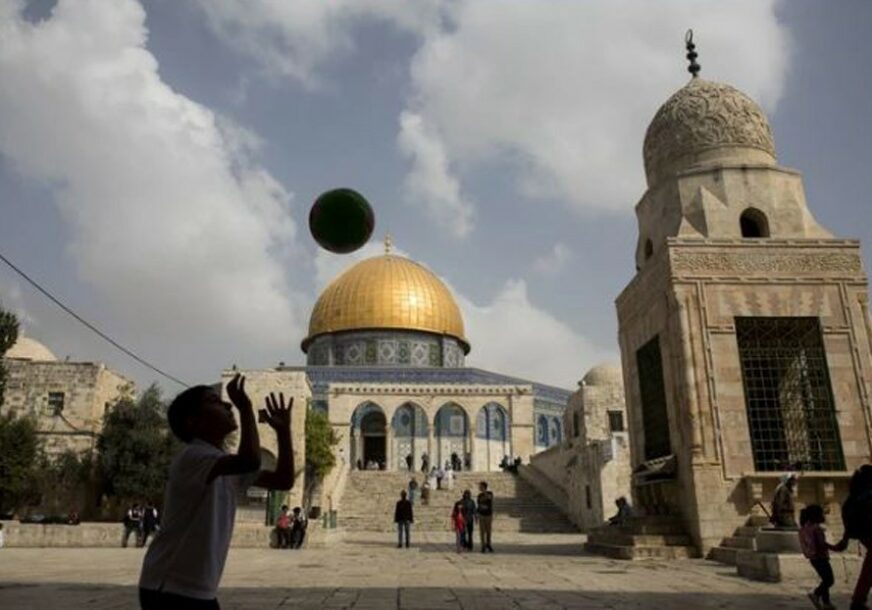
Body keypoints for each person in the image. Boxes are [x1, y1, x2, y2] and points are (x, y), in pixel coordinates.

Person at [139, 374, 295, 610]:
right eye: (214, 401)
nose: (226, 404)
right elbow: (249, 461)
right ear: (194, 422)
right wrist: (245, 407)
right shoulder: (193, 457)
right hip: (170, 587)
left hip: (194, 589)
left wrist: (284, 433)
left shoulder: (221, 464)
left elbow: (283, 480)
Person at [833, 464, 872, 610]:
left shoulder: (853, 497)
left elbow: (848, 519)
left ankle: (858, 600)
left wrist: (845, 539)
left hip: (864, 536)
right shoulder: (868, 495)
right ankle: (858, 600)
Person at [799, 505, 837, 610]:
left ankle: (826, 603)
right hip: (821, 558)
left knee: (824, 579)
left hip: (813, 558)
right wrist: (835, 547)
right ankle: (816, 594)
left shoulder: (805, 527)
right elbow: (822, 544)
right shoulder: (817, 528)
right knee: (829, 580)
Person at [477, 481, 494, 553]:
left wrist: (484, 492)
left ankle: (488, 544)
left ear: (484, 487)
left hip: (488, 515)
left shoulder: (490, 493)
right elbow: (479, 504)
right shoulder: (479, 495)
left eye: (480, 486)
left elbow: (490, 498)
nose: (479, 487)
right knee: (482, 531)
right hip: (481, 515)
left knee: (488, 531)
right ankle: (483, 545)